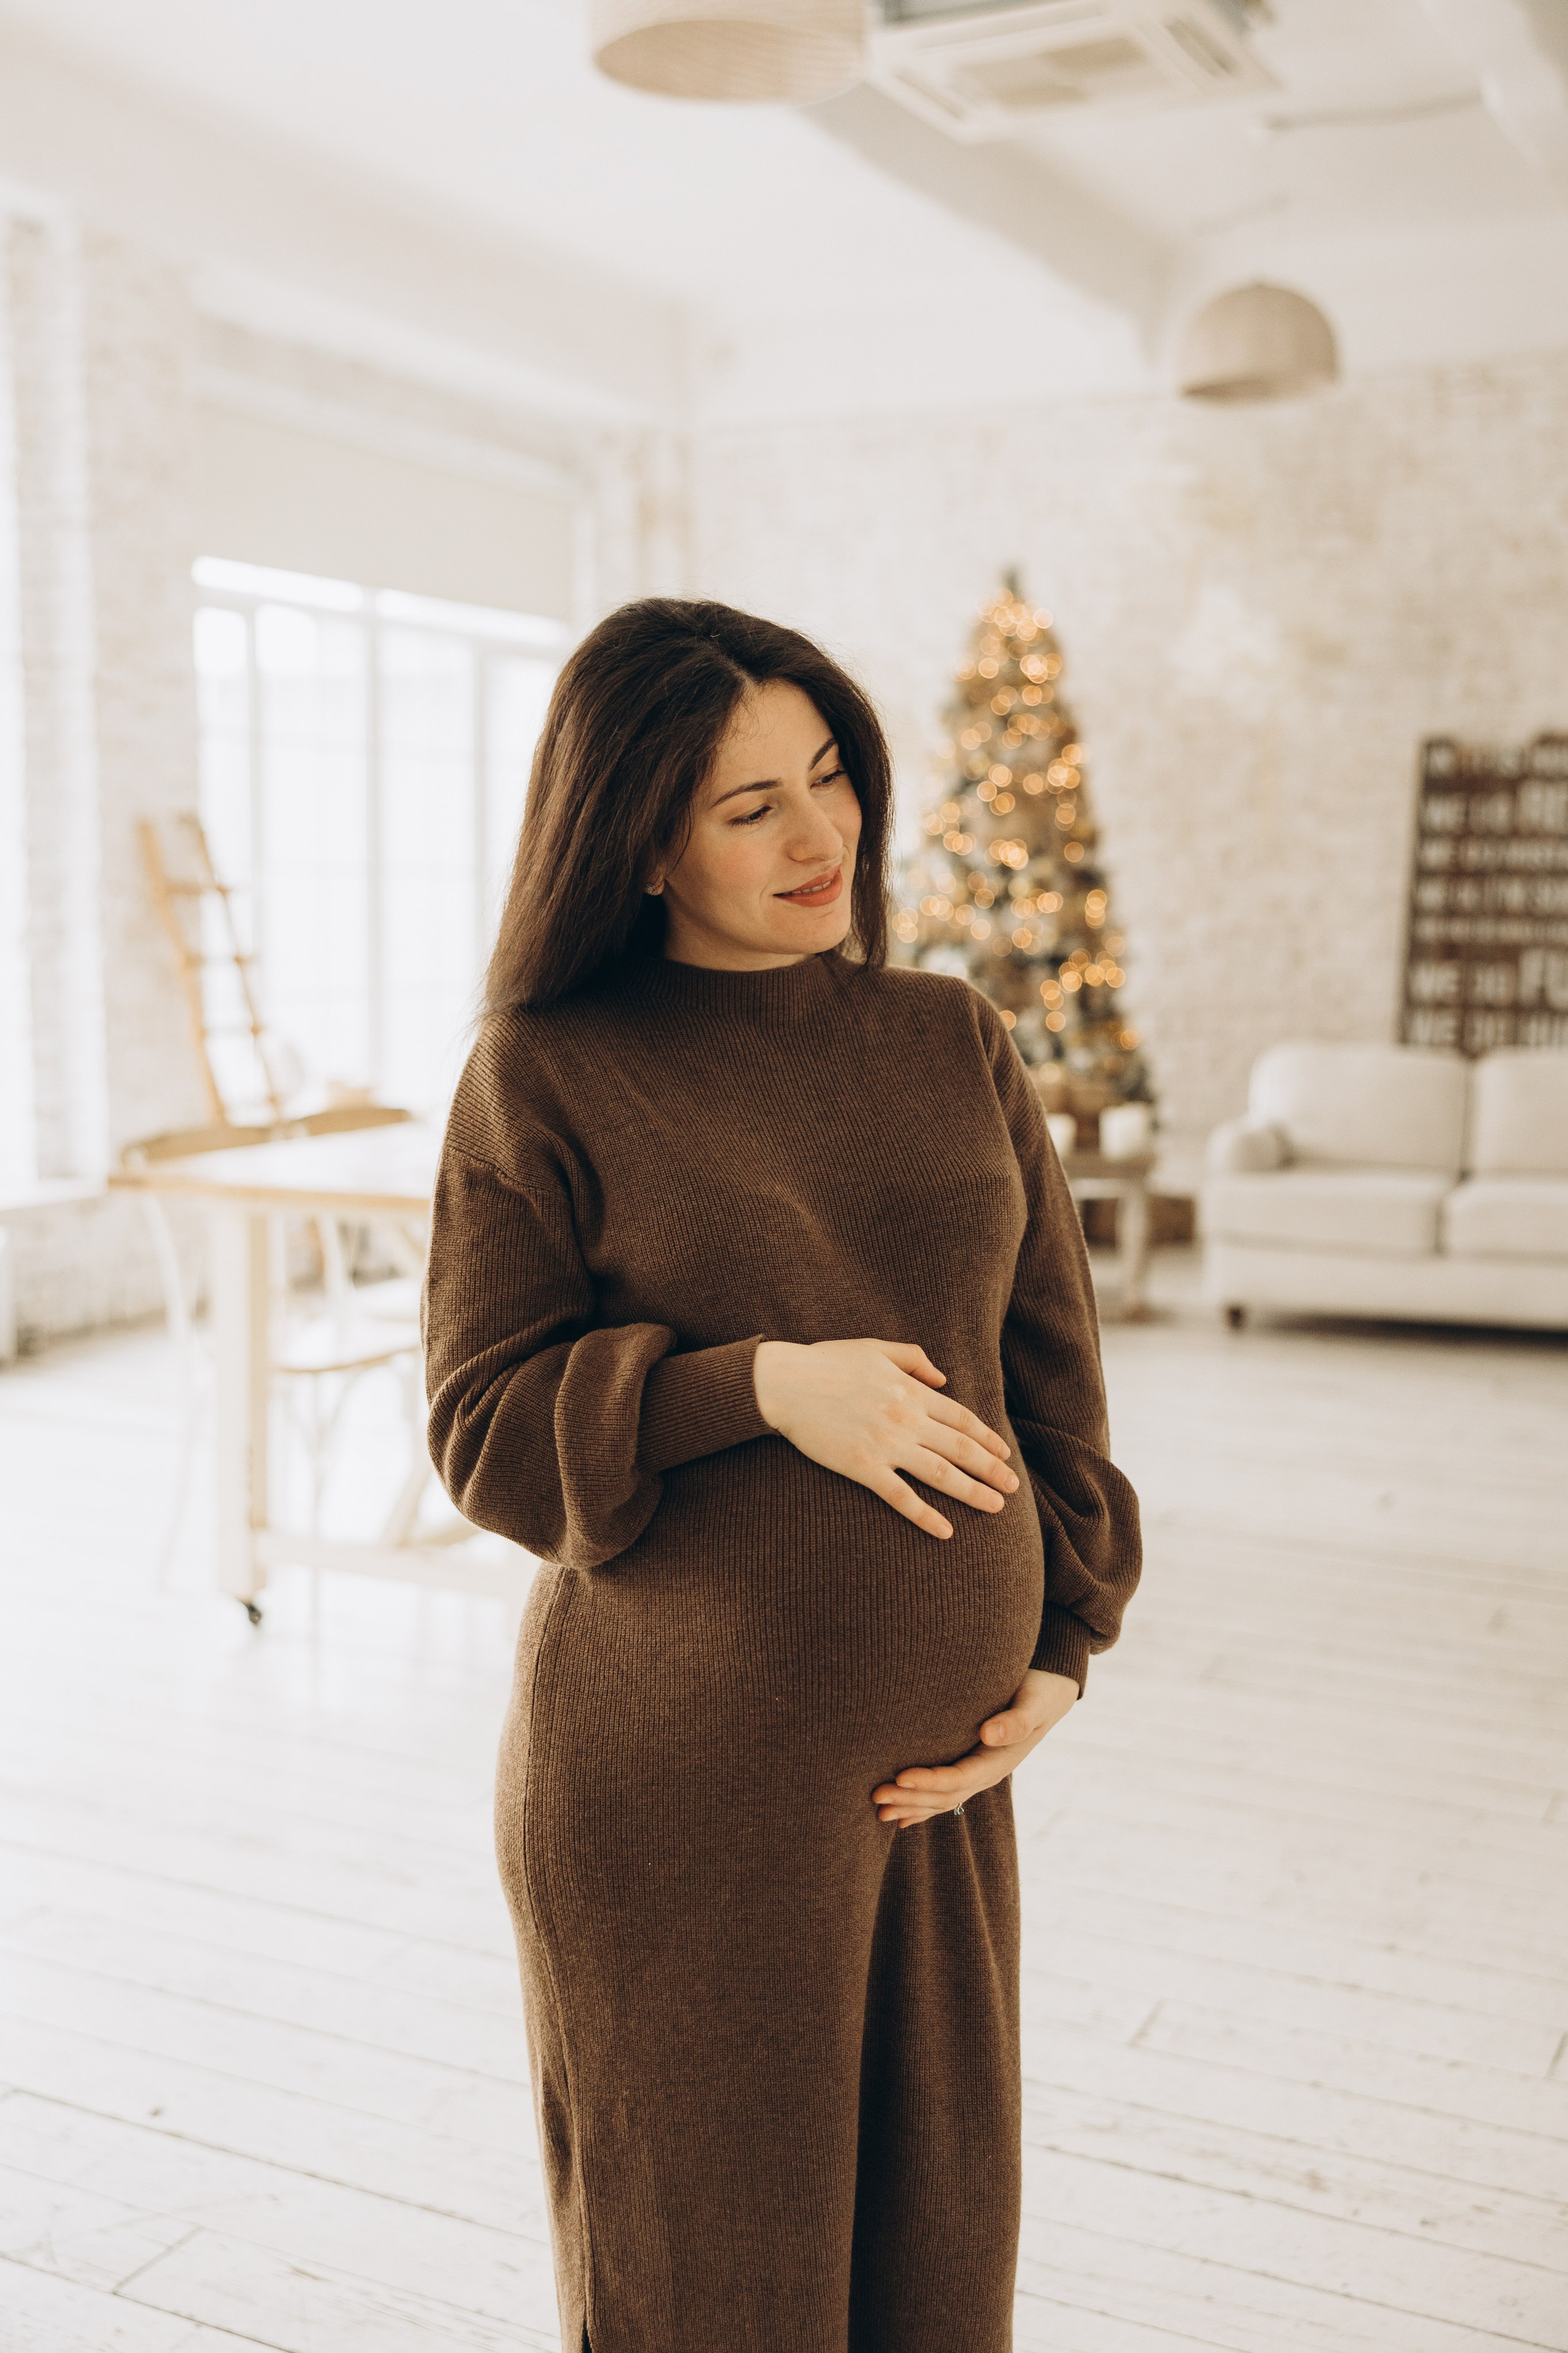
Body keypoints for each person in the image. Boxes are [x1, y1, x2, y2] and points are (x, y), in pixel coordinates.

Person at [423, 597, 1142, 2353]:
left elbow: (1053, 1374)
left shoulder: (953, 1038)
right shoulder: (547, 1073)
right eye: (751, 807)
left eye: (831, 774)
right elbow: (485, 1426)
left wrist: (1064, 1646)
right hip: (679, 1805)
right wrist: (758, 1385)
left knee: (938, 2279)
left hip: (937, 1804)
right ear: (640, 841)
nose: (822, 835)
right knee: (712, 2297)